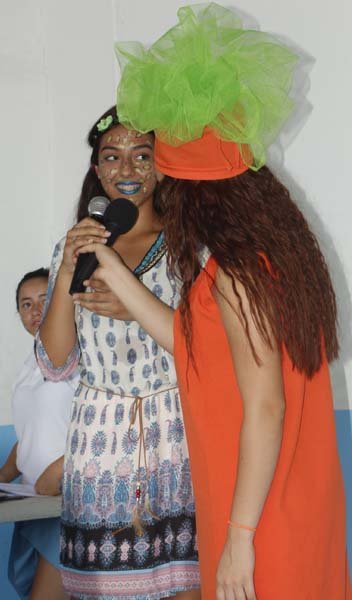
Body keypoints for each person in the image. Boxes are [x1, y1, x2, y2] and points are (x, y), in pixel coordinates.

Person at [76, 4, 352, 600]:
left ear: (199, 196)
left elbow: (267, 407)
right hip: (276, 502)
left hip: (261, 518)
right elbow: (189, 343)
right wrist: (112, 265)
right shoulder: (258, 263)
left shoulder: (240, 274)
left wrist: (240, 538)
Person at [36, 106, 200, 599]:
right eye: (112, 156)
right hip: (99, 440)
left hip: (176, 434)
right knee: (105, 585)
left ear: (162, 166)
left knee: (186, 581)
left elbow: (209, 348)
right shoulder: (75, 247)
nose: (126, 168)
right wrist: (69, 268)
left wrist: (137, 310)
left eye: (141, 155)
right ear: (97, 169)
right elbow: (56, 361)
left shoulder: (189, 245)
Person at [0, 268, 76, 600]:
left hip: (68, 504)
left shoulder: (82, 355)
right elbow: (31, 432)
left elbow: (102, 424)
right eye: (26, 304)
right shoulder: (30, 365)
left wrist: (62, 468)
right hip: (34, 502)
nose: (36, 311)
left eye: (44, 299)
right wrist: (3, 474)